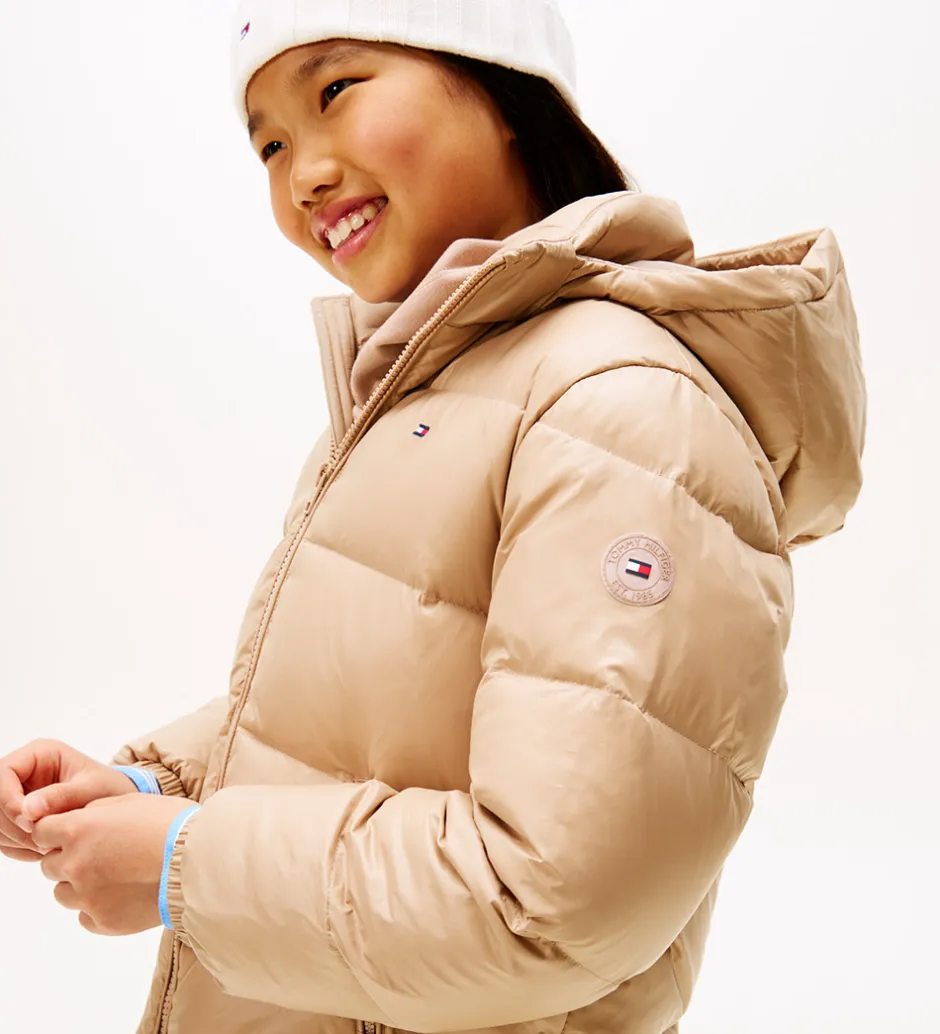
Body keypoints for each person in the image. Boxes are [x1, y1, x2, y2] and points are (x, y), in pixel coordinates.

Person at [0, 2, 867, 1033]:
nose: (302, 175)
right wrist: (143, 788)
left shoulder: (623, 409)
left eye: (335, 90)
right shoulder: (428, 395)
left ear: (503, 87)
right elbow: (369, 710)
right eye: (269, 145)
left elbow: (552, 900)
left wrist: (186, 861)